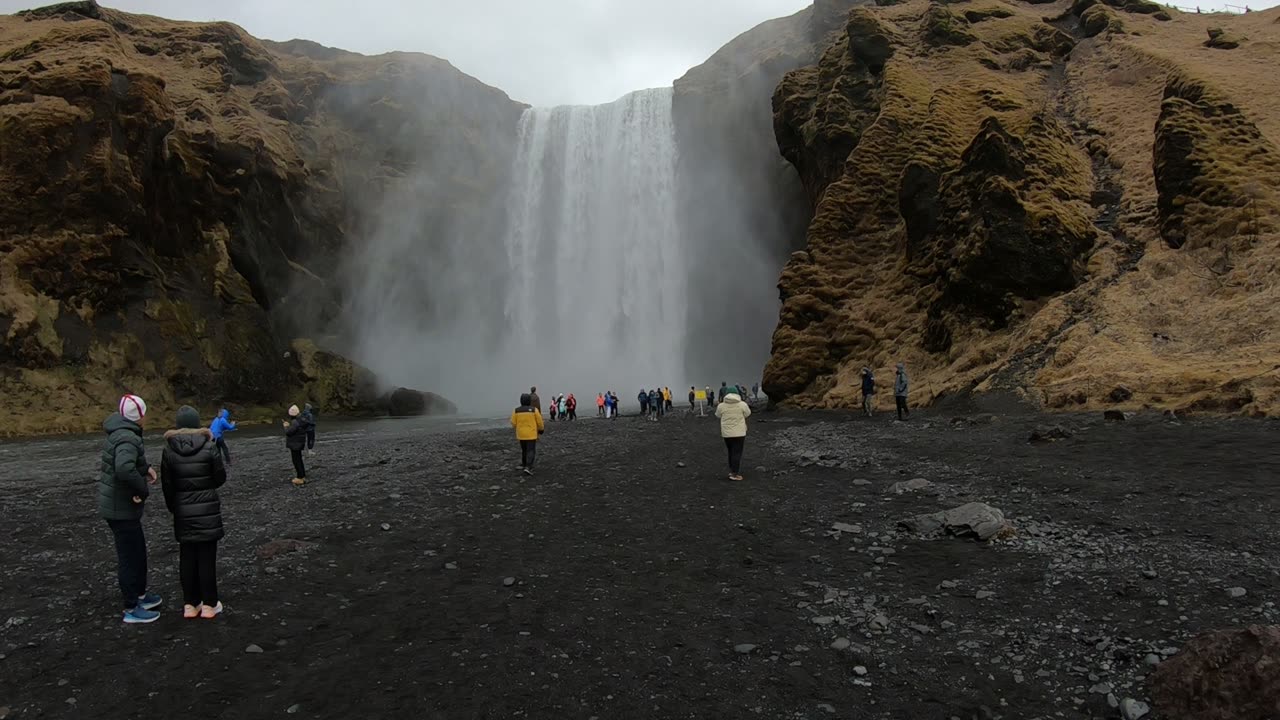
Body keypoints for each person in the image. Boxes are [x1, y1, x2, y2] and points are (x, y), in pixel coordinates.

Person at [99, 394, 163, 624]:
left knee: (137, 551)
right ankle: (131, 607)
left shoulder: (122, 432)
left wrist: (145, 468)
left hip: (118, 504)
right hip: (120, 508)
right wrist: (142, 489)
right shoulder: (127, 437)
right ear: (140, 416)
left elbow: (129, 462)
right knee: (129, 555)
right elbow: (124, 469)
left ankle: (140, 594)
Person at [161, 406, 227, 620]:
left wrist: (174, 508)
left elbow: (167, 485)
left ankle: (190, 604)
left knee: (187, 557)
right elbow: (220, 478)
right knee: (207, 558)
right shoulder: (209, 447)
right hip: (207, 509)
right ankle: (209, 605)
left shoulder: (168, 450)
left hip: (182, 510)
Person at [716, 386, 752, 481]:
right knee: (737, 452)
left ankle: (732, 470)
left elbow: (718, 415)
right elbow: (748, 413)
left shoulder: (721, 406)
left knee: (731, 452)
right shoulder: (742, 405)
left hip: (727, 433)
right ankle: (734, 474)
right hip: (739, 432)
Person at [510, 392, 545, 476]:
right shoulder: (534, 410)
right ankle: (528, 467)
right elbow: (539, 421)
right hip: (531, 434)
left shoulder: (516, 410)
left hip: (521, 434)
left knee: (524, 450)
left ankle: (524, 464)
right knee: (531, 450)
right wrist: (541, 429)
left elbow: (513, 423)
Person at [283, 405, 311, 486]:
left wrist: (286, 426)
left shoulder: (295, 422)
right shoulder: (302, 420)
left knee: (296, 461)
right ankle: (302, 476)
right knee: (299, 460)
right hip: (300, 442)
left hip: (294, 444)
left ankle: (300, 477)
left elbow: (289, 433)